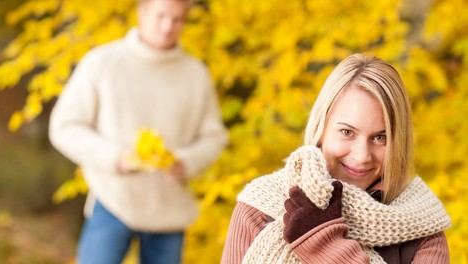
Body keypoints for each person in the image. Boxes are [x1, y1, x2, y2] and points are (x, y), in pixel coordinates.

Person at [221, 54, 451, 264]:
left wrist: (324, 247)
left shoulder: (421, 228)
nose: (361, 156)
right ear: (322, 128)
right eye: (347, 132)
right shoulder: (258, 211)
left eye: (380, 137)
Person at [49, 0, 228, 263]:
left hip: (168, 209)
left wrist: (186, 162)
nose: (168, 27)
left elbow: (214, 138)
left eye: (177, 19)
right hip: (111, 200)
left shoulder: (196, 74)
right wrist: (115, 157)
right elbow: (64, 126)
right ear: (141, 13)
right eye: (161, 16)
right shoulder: (102, 62)